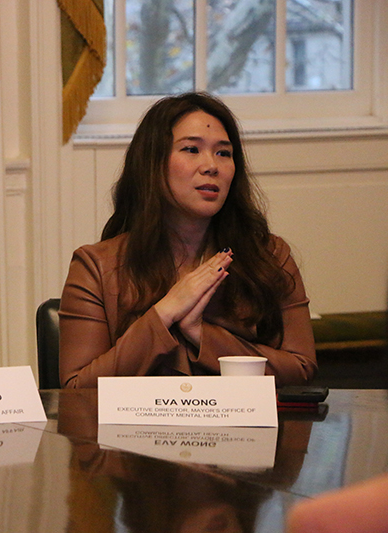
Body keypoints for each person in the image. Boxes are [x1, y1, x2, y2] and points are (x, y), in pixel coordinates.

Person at [59, 92, 316, 388]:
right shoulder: (95, 266)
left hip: (243, 433)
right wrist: (165, 312)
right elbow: (76, 391)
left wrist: (201, 334)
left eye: (223, 153)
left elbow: (301, 368)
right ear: (152, 164)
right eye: (191, 149)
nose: (211, 166)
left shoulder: (270, 255)